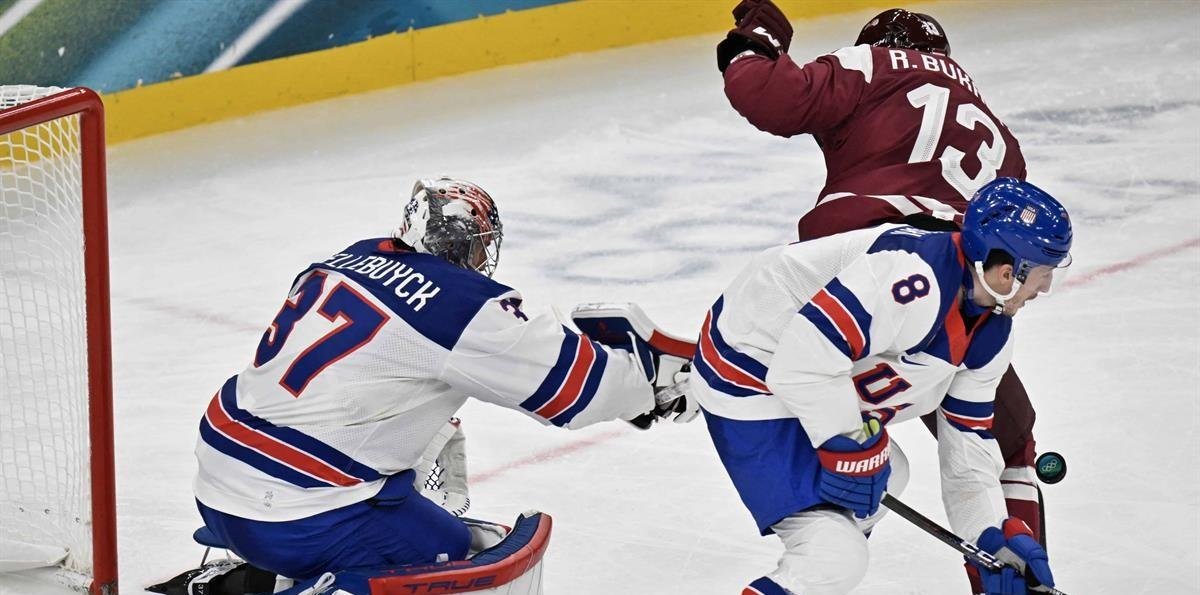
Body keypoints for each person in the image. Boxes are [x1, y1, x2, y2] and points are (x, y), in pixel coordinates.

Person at [191, 177, 683, 585]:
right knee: (452, 562)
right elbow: (578, 389)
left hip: (216, 479)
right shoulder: (459, 304)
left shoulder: (346, 258)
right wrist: (653, 386)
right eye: (479, 245)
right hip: (296, 511)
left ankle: (251, 579)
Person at [716, 4, 1051, 587]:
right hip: (957, 291)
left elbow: (768, 96)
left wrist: (753, 40)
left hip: (869, 273)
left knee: (850, 433)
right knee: (1006, 443)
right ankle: (1011, 578)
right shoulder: (999, 135)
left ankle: (819, 554)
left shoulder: (875, 66)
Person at [690, 178, 1071, 594]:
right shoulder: (914, 278)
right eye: (1043, 272)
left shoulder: (990, 330)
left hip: (804, 370)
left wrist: (989, 536)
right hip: (746, 367)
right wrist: (850, 444)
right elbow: (801, 364)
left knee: (889, 475)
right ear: (1006, 271)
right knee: (833, 560)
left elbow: (968, 449)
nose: (1045, 287)